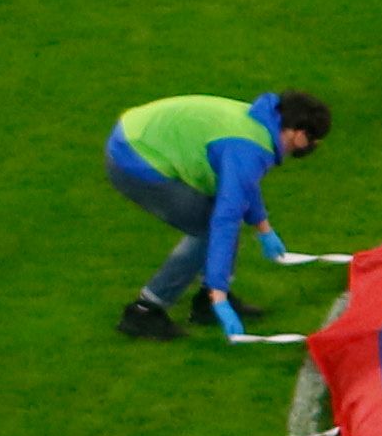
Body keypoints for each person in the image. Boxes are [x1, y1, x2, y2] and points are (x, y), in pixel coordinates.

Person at [105, 87, 329, 342]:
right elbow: (225, 218)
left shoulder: (260, 123)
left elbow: (243, 186)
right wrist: (219, 295)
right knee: (208, 227)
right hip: (133, 156)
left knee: (215, 216)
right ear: (299, 136)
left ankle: (206, 302)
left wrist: (263, 227)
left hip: (135, 133)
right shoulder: (250, 148)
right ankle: (144, 310)